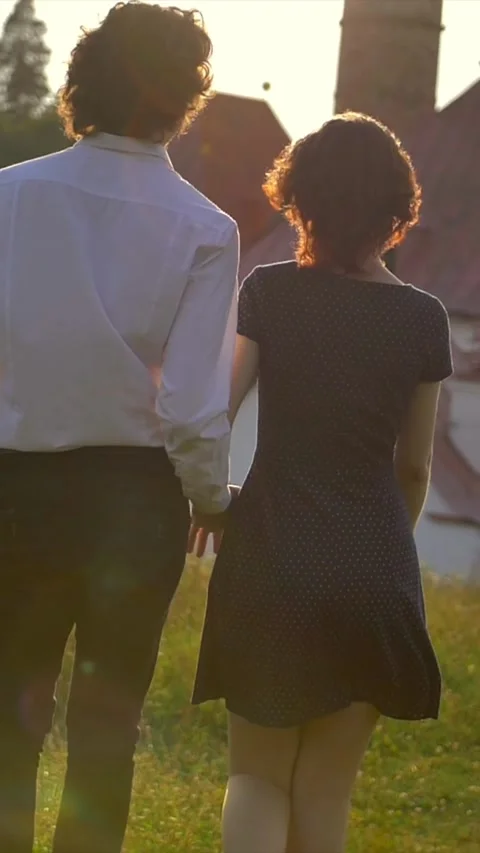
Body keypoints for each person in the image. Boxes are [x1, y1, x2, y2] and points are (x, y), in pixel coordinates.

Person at [0, 4, 239, 852]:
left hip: (18, 486)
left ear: (83, 80)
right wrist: (212, 496)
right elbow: (189, 405)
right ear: (185, 98)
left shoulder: (9, 196)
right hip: (137, 502)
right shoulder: (209, 229)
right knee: (107, 728)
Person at [189, 112, 453, 853]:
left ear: (298, 198)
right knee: (325, 794)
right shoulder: (423, 319)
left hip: (271, 561)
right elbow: (415, 467)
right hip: (374, 574)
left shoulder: (271, 292)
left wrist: (213, 502)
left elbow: (214, 414)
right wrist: (374, 545)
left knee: (258, 779)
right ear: (396, 211)